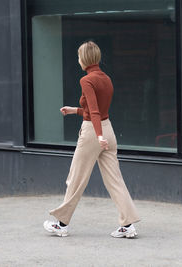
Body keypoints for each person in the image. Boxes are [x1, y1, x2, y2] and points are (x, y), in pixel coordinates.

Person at [43, 41, 140, 238]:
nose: (78, 60)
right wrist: (74, 110)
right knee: (115, 181)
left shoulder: (86, 80)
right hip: (108, 129)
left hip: (93, 133)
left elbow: (94, 112)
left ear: (84, 59)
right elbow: (97, 111)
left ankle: (61, 225)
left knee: (75, 178)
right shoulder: (106, 78)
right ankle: (128, 225)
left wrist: (98, 136)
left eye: (79, 57)